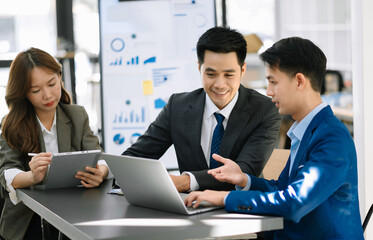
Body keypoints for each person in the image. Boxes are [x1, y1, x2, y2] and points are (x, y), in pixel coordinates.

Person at [184, 37, 364, 239]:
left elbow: (294, 201)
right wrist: (245, 180)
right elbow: (283, 189)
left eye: (273, 82)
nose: (269, 92)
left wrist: (224, 198)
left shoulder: (332, 137)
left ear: (299, 81)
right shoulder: (306, 130)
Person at [122, 26, 281, 192]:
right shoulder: (177, 106)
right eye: (211, 74)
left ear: (242, 70)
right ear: (199, 68)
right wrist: (105, 169)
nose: (220, 84)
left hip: (240, 208)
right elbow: (138, 156)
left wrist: (186, 181)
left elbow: (244, 172)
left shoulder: (264, 110)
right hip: (190, 207)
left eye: (228, 75)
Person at [0, 48, 109, 240]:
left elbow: (99, 157)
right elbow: (7, 174)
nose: (48, 95)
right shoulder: (12, 123)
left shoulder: (77, 115)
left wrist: (100, 172)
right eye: (36, 90)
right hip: (28, 220)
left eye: (52, 84)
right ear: (23, 93)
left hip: (76, 212)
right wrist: (32, 177)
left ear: (60, 76)